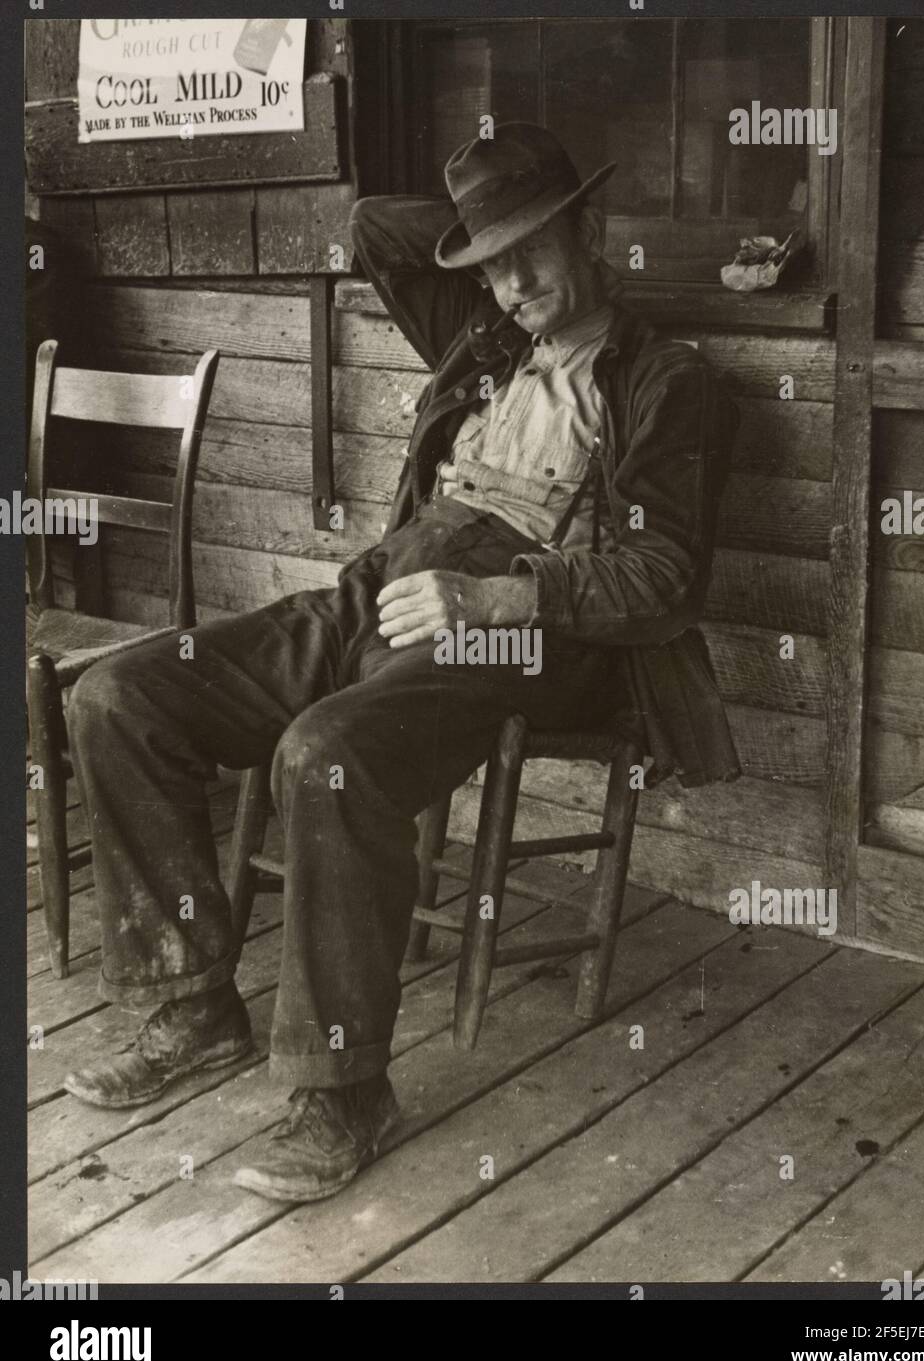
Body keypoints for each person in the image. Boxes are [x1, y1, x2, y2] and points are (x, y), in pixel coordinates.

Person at [61, 123, 740, 1203]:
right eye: (490, 259)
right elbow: (376, 227)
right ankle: (194, 1004)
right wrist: (486, 221)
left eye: (534, 250)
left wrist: (497, 595)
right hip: (385, 585)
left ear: (593, 230)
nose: (512, 283)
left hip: (526, 631)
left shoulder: (663, 377)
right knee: (118, 694)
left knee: (325, 754)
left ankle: (343, 1092)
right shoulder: (484, 336)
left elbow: (662, 577)